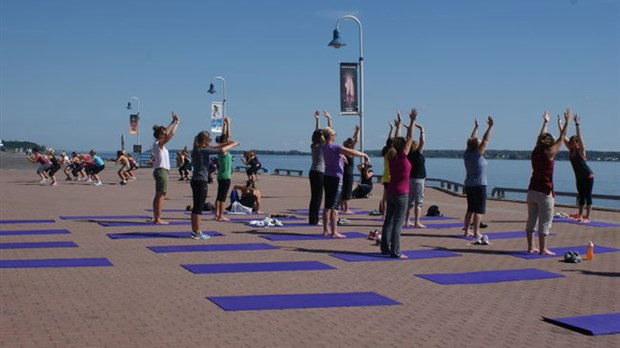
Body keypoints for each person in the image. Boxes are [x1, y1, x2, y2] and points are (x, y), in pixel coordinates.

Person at [525, 110, 570, 255]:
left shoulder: (535, 151)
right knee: (545, 222)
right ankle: (543, 248)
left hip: (532, 191)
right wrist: (567, 122)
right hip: (544, 192)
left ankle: (531, 247)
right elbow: (562, 137)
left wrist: (546, 122)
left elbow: (540, 138)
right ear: (550, 143)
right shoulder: (549, 152)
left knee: (531, 220)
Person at [321, 125, 370, 238]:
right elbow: (351, 152)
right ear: (331, 136)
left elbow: (342, 153)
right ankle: (334, 232)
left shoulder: (324, 147)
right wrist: (364, 155)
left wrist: (341, 156)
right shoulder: (335, 147)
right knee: (335, 206)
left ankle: (325, 230)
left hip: (327, 176)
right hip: (336, 177)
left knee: (327, 205)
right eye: (334, 135)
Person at [380, 108, 417, 258]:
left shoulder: (391, 155)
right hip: (401, 193)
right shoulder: (401, 156)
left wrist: (399, 126)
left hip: (391, 191)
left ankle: (384, 247)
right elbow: (409, 138)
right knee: (397, 223)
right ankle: (395, 251)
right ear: (404, 147)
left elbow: (398, 141)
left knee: (389, 220)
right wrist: (413, 121)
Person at [190, 130, 239, 239]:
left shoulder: (197, 149)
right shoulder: (202, 150)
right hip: (200, 181)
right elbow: (220, 151)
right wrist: (233, 145)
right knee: (198, 207)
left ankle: (194, 231)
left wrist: (226, 143)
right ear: (204, 140)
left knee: (196, 206)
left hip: (195, 180)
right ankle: (197, 232)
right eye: (209, 140)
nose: (210, 142)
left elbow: (215, 147)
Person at [463, 116, 494, 244]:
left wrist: (476, 128)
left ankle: (466, 231)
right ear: (477, 146)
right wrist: (490, 126)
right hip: (479, 185)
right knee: (478, 210)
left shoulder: (467, 153)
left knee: (470, 208)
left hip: (469, 185)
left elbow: (471, 140)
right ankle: (476, 232)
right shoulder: (477, 154)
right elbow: (486, 140)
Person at [560, 114, 594, 222]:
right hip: (579, 178)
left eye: (576, 142)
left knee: (587, 196)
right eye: (572, 142)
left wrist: (577, 124)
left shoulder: (581, 151)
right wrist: (560, 124)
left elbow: (580, 137)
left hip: (588, 176)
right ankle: (580, 216)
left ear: (578, 143)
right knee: (581, 197)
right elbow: (563, 136)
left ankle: (587, 217)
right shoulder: (571, 151)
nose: (574, 144)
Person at [149, 112, 180, 224]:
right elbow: (170, 135)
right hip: (161, 171)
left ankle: (155, 217)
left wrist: (172, 122)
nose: (165, 134)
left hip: (159, 170)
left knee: (158, 195)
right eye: (163, 134)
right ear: (160, 135)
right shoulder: (159, 144)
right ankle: (158, 218)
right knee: (161, 195)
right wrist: (177, 123)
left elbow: (166, 131)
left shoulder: (157, 143)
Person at [308, 111, 331, 225]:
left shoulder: (314, 145)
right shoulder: (322, 146)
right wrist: (329, 120)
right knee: (318, 197)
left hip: (312, 172)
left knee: (314, 197)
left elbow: (318, 133)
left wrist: (317, 119)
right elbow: (329, 133)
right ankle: (315, 220)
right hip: (319, 173)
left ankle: (313, 219)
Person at [405, 122, 427, 228]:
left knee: (410, 201)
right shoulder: (417, 154)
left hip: (410, 179)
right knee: (419, 201)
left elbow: (407, 140)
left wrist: (409, 129)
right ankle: (417, 222)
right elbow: (423, 141)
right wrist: (422, 129)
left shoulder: (408, 154)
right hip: (419, 179)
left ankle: (407, 221)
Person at [215, 117, 237, 221]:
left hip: (221, 176)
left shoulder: (220, 149)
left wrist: (225, 125)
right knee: (222, 197)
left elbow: (225, 137)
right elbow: (227, 137)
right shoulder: (223, 150)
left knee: (219, 196)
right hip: (225, 176)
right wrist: (229, 124)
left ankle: (216, 214)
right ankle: (220, 215)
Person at [340, 124, 360, 214]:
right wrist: (357, 131)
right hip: (348, 174)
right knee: (347, 191)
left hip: (343, 173)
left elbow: (355, 140)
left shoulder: (343, 151)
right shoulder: (349, 152)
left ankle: (342, 207)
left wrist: (357, 131)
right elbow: (355, 141)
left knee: (342, 190)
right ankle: (346, 209)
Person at [380, 118, 397, 219]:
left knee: (385, 197)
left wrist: (391, 129)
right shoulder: (393, 152)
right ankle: (391, 214)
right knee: (393, 197)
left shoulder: (385, 151)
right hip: (392, 176)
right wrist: (393, 129)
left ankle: (383, 214)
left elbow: (389, 139)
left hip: (386, 176)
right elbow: (393, 139)